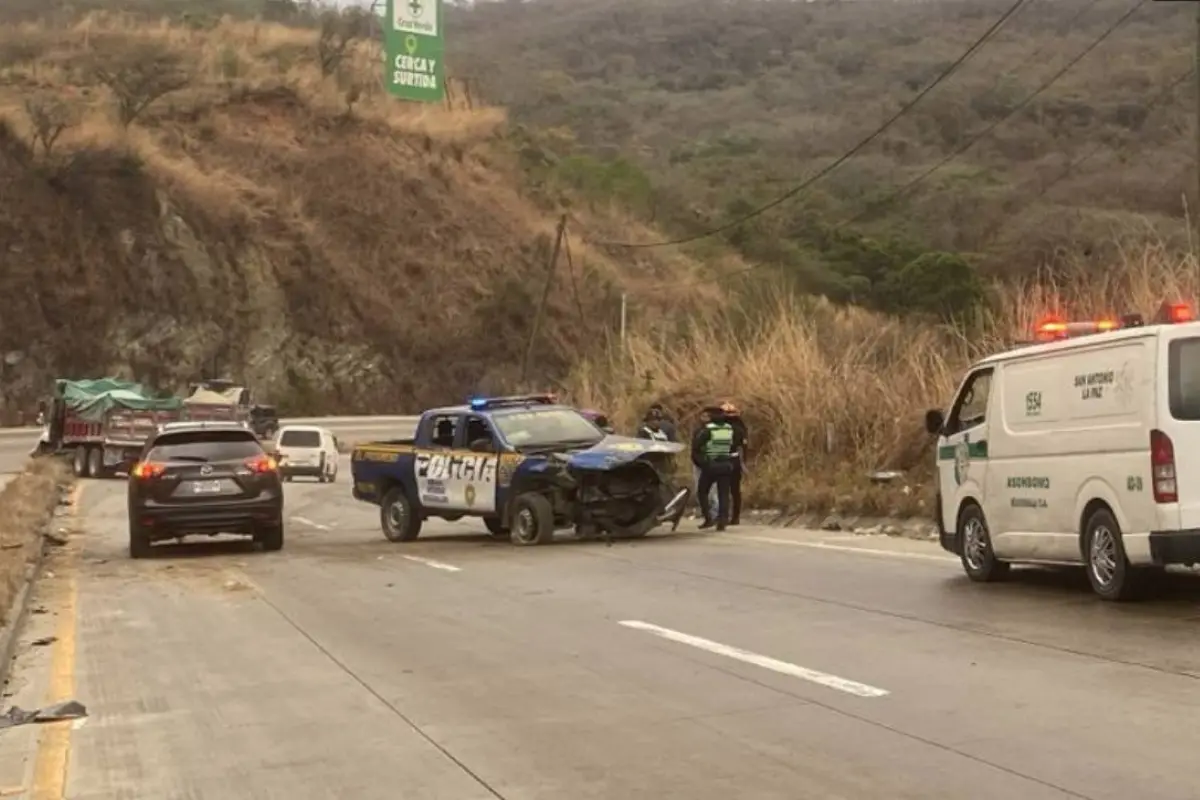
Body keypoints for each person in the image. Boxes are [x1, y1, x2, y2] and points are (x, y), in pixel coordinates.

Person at [691, 403, 744, 530]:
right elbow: (735, 444)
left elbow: (697, 446)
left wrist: (702, 462)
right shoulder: (729, 429)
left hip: (711, 463)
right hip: (726, 463)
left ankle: (708, 518)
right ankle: (722, 521)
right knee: (724, 494)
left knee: (702, 491)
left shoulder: (709, 429)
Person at [720, 401, 747, 526]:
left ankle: (724, 516)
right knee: (735, 490)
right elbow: (744, 447)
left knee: (724, 489)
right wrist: (743, 463)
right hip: (735, 460)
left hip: (724, 459)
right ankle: (735, 517)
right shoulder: (741, 427)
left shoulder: (721, 427)